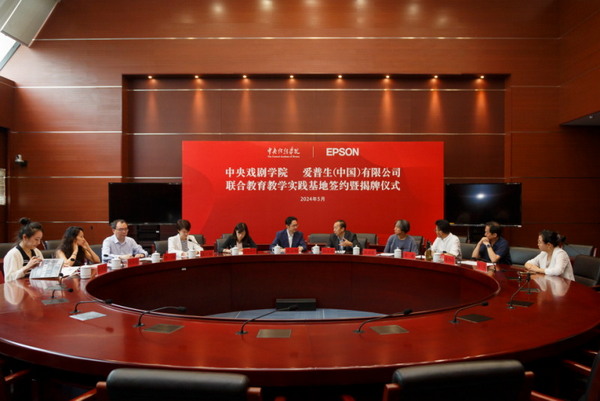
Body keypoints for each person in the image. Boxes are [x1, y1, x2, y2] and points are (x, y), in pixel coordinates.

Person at [3, 218, 44, 282]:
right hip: (18, 287)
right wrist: (27, 267)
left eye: (40, 239)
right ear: (25, 237)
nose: (39, 243)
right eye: (36, 239)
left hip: (34, 285)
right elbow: (8, 279)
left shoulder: (37, 251)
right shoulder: (13, 254)